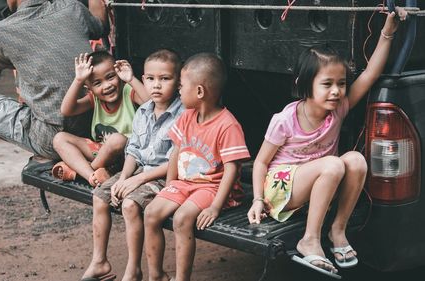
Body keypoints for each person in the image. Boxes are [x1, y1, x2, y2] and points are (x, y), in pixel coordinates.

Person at [246, 10, 405, 278]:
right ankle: (309, 239)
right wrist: (257, 200)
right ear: (305, 85)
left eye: (341, 84)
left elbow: (370, 75)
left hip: (319, 184)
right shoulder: (285, 119)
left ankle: (337, 230)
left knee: (355, 160)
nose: (336, 91)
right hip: (281, 188)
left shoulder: (338, 110)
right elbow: (261, 161)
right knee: (332, 164)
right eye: (327, 84)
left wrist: (387, 31)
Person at [144, 53, 250, 281]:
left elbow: (231, 170)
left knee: (182, 219)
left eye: (182, 86)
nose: (179, 91)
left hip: (212, 187)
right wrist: (171, 185)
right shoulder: (187, 117)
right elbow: (176, 153)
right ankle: (156, 276)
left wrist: (215, 207)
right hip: (185, 183)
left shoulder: (227, 124)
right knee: (151, 213)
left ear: (200, 92)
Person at [80, 49, 184, 281]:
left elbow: (175, 162)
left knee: (129, 205)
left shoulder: (182, 115)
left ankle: (133, 270)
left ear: (179, 83)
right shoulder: (144, 111)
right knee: (100, 196)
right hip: (138, 171)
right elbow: (134, 151)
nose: (156, 85)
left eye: (165, 79)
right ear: (143, 79)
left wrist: (137, 180)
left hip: (162, 176)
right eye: (150, 79)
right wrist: (126, 177)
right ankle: (99, 262)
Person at [0, 0, 109, 160]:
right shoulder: (72, 8)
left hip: (49, 137)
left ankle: (53, 153)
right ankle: (75, 150)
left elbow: (3, 63)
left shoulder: (0, 31)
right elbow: (101, 25)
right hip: (94, 126)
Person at [52, 50, 150, 187]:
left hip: (128, 156)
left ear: (119, 74)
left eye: (110, 77)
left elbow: (151, 103)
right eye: (97, 83)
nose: (107, 85)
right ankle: (91, 176)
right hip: (101, 153)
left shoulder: (128, 91)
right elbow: (67, 110)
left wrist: (131, 79)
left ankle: (79, 170)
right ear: (90, 89)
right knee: (59, 138)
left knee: (116, 139)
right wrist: (78, 80)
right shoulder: (95, 99)